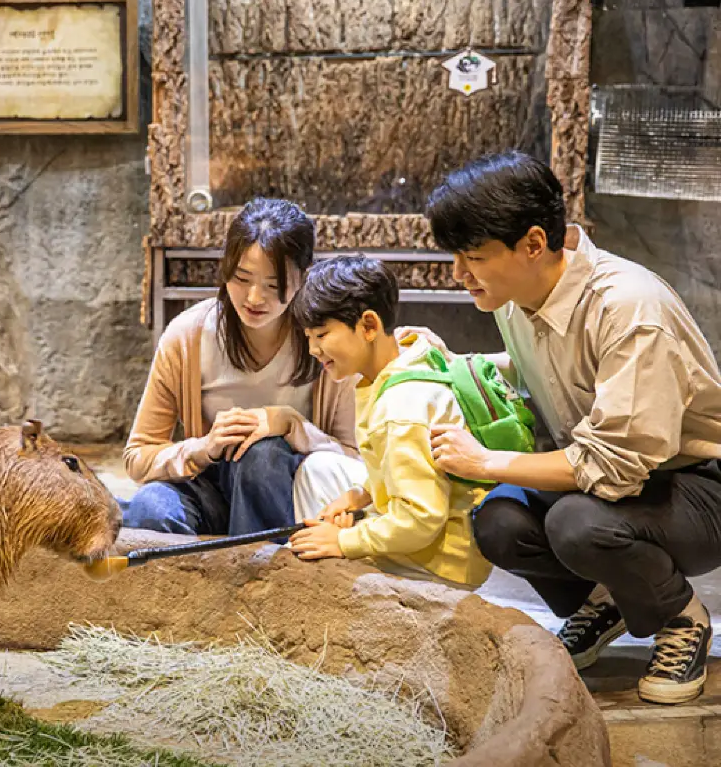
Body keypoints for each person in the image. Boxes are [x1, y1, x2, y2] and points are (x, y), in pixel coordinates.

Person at [418, 150, 721, 704]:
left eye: (473, 257)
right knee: (498, 521)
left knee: (577, 524)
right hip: (626, 479)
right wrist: (442, 363)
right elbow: (550, 368)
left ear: (534, 244)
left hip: (700, 485)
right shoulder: (516, 299)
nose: (458, 274)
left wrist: (483, 461)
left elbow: (612, 467)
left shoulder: (628, 309)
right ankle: (609, 599)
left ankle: (681, 617)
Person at [121, 198, 367, 536]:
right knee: (149, 509)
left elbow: (355, 461)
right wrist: (205, 446)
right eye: (241, 278)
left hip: (288, 495)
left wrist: (291, 425)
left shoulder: (327, 341)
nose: (254, 298)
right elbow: (138, 456)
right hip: (207, 485)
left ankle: (263, 575)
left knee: (262, 457)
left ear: (302, 278)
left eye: (273, 284)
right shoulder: (188, 336)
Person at [285, 255, 493, 589]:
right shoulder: (405, 358)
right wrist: (361, 495)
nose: (312, 349)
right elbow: (403, 464)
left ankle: (331, 582)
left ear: (368, 326)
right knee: (318, 469)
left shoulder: (401, 408)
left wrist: (344, 542)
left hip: (439, 564)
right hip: (436, 534)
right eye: (309, 337)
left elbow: (420, 518)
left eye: (322, 335)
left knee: (306, 552)